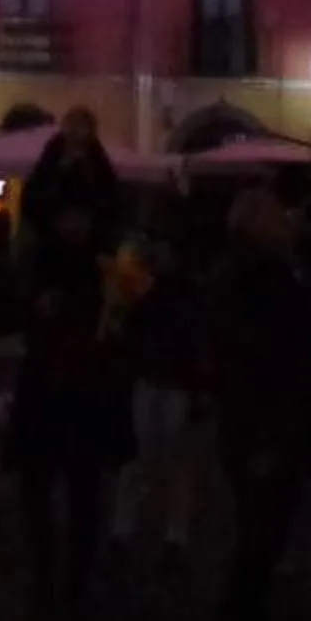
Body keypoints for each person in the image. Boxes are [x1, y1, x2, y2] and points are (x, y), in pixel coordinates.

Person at [8, 210, 131, 617]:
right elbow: (9, 310)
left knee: (85, 496)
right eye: (67, 217)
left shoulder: (108, 265)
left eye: (80, 217)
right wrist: (33, 309)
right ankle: (44, 577)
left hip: (87, 393)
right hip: (45, 390)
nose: (74, 224)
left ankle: (76, 581)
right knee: (39, 495)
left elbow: (126, 324)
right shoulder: (37, 262)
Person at [209, 190, 311, 621]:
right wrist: (267, 434)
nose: (286, 221)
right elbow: (258, 359)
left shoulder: (250, 273)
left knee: (262, 531)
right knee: (261, 533)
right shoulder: (257, 278)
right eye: (278, 215)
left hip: (259, 425)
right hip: (263, 427)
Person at [111, 235, 201, 571]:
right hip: (154, 378)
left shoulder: (179, 293)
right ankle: (137, 531)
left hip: (169, 380)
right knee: (143, 459)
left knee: (167, 462)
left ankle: (161, 532)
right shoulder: (152, 291)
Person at [23, 108, 125, 245]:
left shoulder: (96, 158)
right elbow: (35, 195)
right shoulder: (53, 155)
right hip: (53, 238)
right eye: (73, 124)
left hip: (86, 238)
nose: (76, 131)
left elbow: (110, 196)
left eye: (81, 125)